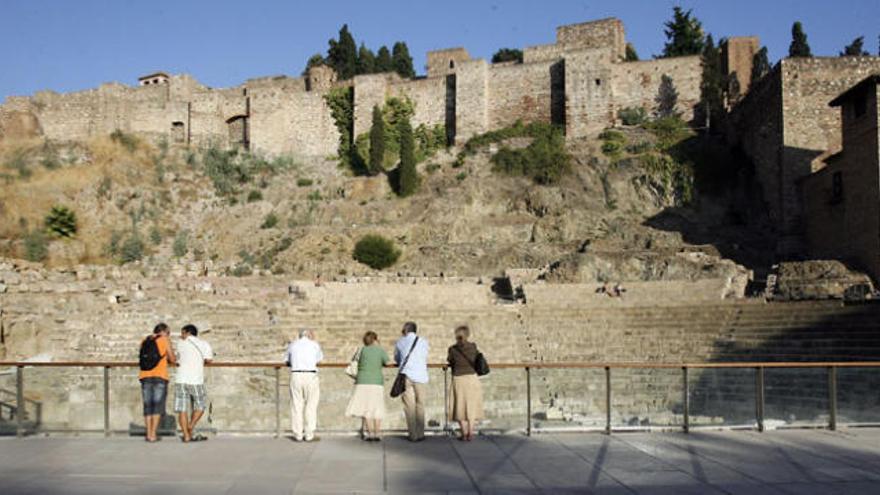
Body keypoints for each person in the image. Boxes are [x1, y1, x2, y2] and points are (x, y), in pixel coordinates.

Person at [344, 331, 390, 441]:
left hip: (362, 381)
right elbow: (387, 362)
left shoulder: (361, 350)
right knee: (377, 407)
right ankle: (377, 433)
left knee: (366, 408)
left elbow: (355, 362)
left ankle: (370, 433)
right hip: (376, 382)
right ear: (375, 339)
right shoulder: (380, 350)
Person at [174, 324, 214, 443]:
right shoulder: (204, 344)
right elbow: (209, 360)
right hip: (196, 379)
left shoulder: (180, 343)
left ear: (187, 332)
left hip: (181, 379)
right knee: (201, 405)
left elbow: (176, 358)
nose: (181, 335)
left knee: (182, 409)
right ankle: (191, 426)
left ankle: (186, 435)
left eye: (182, 333)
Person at [284, 329, 323, 442]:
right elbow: (319, 359)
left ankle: (298, 434)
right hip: (310, 375)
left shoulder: (293, 345)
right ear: (309, 335)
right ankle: (309, 433)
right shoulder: (314, 345)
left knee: (296, 405)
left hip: (296, 374)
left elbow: (287, 359)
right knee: (311, 405)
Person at [139, 323, 176, 443]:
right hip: (160, 375)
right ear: (164, 331)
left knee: (148, 405)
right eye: (168, 333)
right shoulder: (164, 340)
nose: (169, 335)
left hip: (145, 375)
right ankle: (153, 434)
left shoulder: (145, 340)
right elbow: (172, 358)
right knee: (157, 406)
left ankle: (148, 433)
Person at [447, 325, 485, 441]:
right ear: (468, 335)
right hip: (472, 378)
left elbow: (450, 361)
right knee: (471, 406)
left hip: (458, 379)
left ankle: (464, 433)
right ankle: (470, 432)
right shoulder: (473, 347)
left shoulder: (452, 349)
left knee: (459, 406)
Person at [394, 321, 429, 442]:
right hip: (421, 376)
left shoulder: (400, 342)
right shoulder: (424, 342)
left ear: (405, 330)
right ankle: (421, 433)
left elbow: (397, 359)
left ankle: (413, 435)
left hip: (406, 376)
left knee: (409, 406)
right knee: (421, 405)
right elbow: (425, 355)